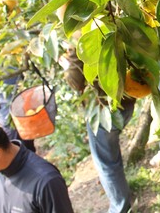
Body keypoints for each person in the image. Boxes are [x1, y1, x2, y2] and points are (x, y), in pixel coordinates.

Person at [62, 45, 136, 213]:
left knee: (107, 162)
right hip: (128, 98)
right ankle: (122, 197)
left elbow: (75, 81)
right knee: (111, 155)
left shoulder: (81, 43)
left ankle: (120, 207)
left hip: (104, 109)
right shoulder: (113, 21)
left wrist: (67, 62)